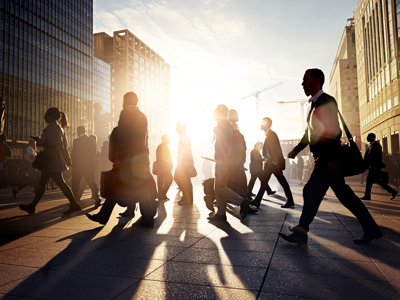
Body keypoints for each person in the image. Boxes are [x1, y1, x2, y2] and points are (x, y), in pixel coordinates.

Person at [279, 68, 382, 245]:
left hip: (328, 160)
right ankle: (371, 229)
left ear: (317, 81)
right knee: (344, 196)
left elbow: (334, 130)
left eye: (306, 79)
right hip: (325, 159)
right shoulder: (313, 105)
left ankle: (301, 232)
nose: (302, 83)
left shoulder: (327, 101)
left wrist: (333, 158)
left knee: (311, 191)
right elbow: (308, 134)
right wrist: (296, 150)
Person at [86, 92, 157, 227]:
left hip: (128, 158)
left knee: (118, 185)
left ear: (125, 101)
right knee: (140, 188)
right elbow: (145, 140)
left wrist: (118, 157)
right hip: (141, 157)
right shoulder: (143, 116)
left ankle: (104, 216)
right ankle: (146, 218)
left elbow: (123, 137)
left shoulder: (126, 113)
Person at [19, 107, 81, 215]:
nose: (44, 117)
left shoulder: (52, 127)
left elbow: (50, 143)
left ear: (52, 116)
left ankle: (74, 204)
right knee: (43, 183)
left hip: (51, 161)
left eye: (46, 115)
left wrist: (38, 140)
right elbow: (63, 146)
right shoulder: (59, 128)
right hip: (54, 160)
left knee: (57, 184)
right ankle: (32, 206)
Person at [208, 104, 256, 222]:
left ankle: (242, 202)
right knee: (219, 187)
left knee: (219, 187)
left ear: (220, 112)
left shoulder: (223, 122)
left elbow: (227, 139)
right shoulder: (225, 122)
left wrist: (222, 157)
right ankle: (221, 213)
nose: (213, 113)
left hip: (223, 160)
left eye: (215, 111)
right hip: (223, 159)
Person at [251, 117, 294, 208]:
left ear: (266, 124)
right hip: (271, 163)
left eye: (262, 123)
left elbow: (276, 149)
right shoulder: (268, 135)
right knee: (266, 182)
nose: (260, 125)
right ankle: (257, 201)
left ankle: (290, 200)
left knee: (280, 181)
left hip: (273, 164)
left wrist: (275, 162)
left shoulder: (272, 135)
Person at [360, 133, 398, 201]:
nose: (367, 138)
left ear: (372, 137)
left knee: (370, 180)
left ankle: (367, 195)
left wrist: (372, 164)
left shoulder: (376, 146)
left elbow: (377, 157)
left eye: (368, 137)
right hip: (372, 167)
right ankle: (393, 191)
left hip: (375, 167)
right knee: (376, 181)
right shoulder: (371, 146)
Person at [71, 126, 101, 208]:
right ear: (85, 131)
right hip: (90, 165)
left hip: (79, 165)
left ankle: (74, 201)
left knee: (76, 183)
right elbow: (94, 154)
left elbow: (74, 154)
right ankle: (97, 198)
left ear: (78, 132)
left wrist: (74, 164)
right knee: (92, 182)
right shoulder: (91, 141)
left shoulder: (76, 141)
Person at [227, 109, 248, 198]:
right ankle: (244, 199)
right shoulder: (228, 126)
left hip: (238, 158)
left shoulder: (235, 126)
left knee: (233, 180)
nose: (238, 117)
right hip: (232, 158)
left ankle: (242, 197)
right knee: (239, 179)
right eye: (237, 115)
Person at [174, 123, 194, 205]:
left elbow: (185, 150)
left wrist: (180, 160)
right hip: (185, 161)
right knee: (185, 180)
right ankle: (187, 197)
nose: (176, 129)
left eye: (177, 128)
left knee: (179, 178)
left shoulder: (184, 137)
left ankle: (187, 198)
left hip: (184, 161)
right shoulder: (183, 136)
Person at [155, 134, 173, 201]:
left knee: (161, 181)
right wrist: (170, 165)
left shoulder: (160, 146)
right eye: (168, 138)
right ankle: (162, 194)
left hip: (161, 167)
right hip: (164, 167)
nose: (169, 140)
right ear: (165, 139)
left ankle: (161, 196)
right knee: (169, 179)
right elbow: (166, 157)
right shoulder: (164, 146)